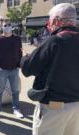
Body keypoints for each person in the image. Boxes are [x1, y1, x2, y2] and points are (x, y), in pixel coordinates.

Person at [21, 3, 79, 135]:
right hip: (77, 107)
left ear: (56, 21)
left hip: (54, 107)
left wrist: (24, 58)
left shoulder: (53, 41)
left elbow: (28, 69)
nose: (49, 25)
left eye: (50, 21)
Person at [0, 21, 24, 119]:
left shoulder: (17, 39)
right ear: (2, 27)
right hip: (3, 70)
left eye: (9, 25)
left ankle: (16, 109)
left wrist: (18, 64)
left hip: (14, 69)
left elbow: (20, 52)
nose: (7, 27)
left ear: (12, 27)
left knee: (15, 90)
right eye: (5, 25)